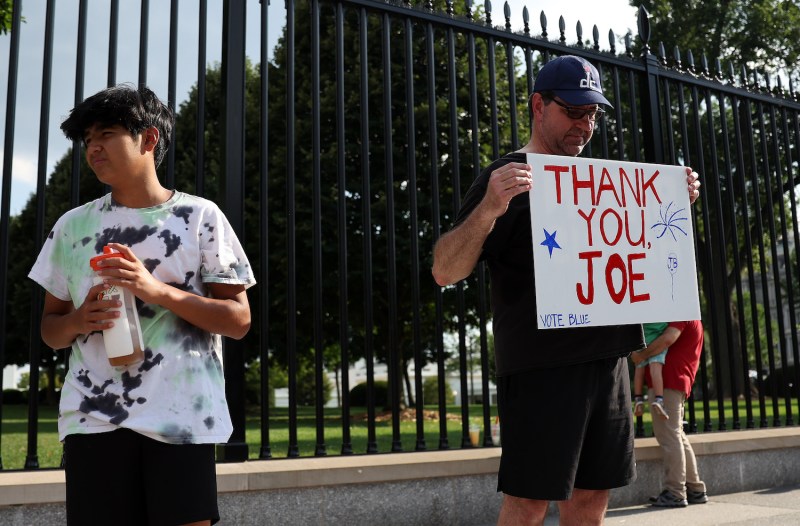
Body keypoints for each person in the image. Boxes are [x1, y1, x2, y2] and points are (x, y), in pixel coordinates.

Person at [431, 55, 701, 525]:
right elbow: (444, 270)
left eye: (592, 113)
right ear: (538, 106)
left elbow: (650, 254)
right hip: (543, 368)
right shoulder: (508, 177)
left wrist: (673, 201)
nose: (585, 123)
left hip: (610, 359)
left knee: (592, 502)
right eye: (573, 111)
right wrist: (490, 208)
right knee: (530, 503)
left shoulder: (609, 184)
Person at [28, 84, 255, 526]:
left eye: (106, 133)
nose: (93, 147)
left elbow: (239, 320)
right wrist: (78, 319)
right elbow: (50, 330)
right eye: (87, 138)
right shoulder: (72, 227)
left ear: (148, 139)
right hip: (94, 418)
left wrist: (156, 290)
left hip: (180, 416)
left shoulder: (200, 218)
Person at [631, 320, 708, 508]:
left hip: (668, 381)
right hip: (673, 380)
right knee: (676, 434)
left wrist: (641, 355)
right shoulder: (690, 314)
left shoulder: (681, 313)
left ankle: (675, 492)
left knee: (669, 437)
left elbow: (667, 339)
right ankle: (695, 489)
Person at [632, 322, 670, 419]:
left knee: (639, 369)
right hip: (657, 339)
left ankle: (638, 399)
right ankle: (659, 399)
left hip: (643, 337)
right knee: (655, 370)